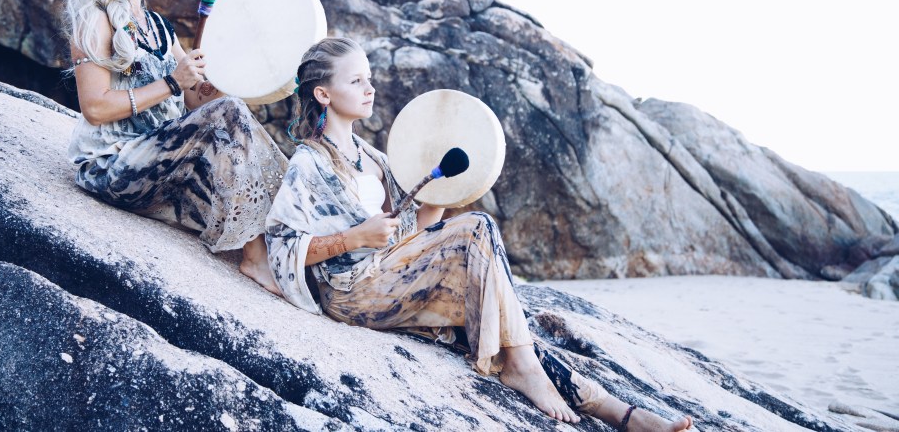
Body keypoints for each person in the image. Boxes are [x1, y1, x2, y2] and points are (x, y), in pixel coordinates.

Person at [266, 38, 693, 430]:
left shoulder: (373, 157)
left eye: (370, 78)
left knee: (502, 326)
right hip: (352, 293)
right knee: (478, 227)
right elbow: (282, 246)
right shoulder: (310, 163)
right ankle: (524, 371)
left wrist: (439, 193)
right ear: (323, 94)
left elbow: (419, 232)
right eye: (356, 81)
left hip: (392, 279)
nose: (370, 88)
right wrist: (355, 238)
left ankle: (621, 414)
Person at [63, 0, 287, 294]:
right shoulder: (94, 17)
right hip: (112, 165)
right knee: (229, 113)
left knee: (231, 116)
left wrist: (239, 70)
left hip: (162, 162)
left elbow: (198, 102)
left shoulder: (159, 28)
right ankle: (254, 256)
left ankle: (292, 232)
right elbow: (95, 108)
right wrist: (171, 83)